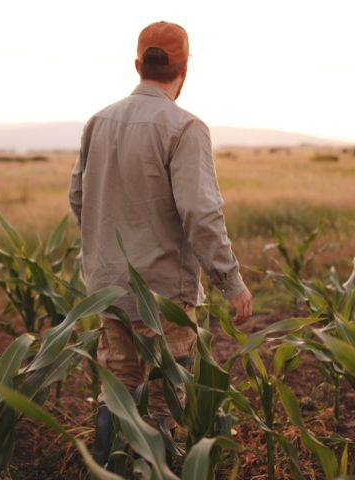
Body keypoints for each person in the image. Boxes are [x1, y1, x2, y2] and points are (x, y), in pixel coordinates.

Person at [68, 21, 253, 465]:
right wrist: (233, 283)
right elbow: (201, 214)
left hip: (107, 289)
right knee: (166, 396)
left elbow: (78, 197)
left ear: (137, 64)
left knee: (117, 385)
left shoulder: (99, 121)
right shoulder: (185, 127)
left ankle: (110, 470)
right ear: (184, 67)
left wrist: (107, 252)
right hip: (164, 296)